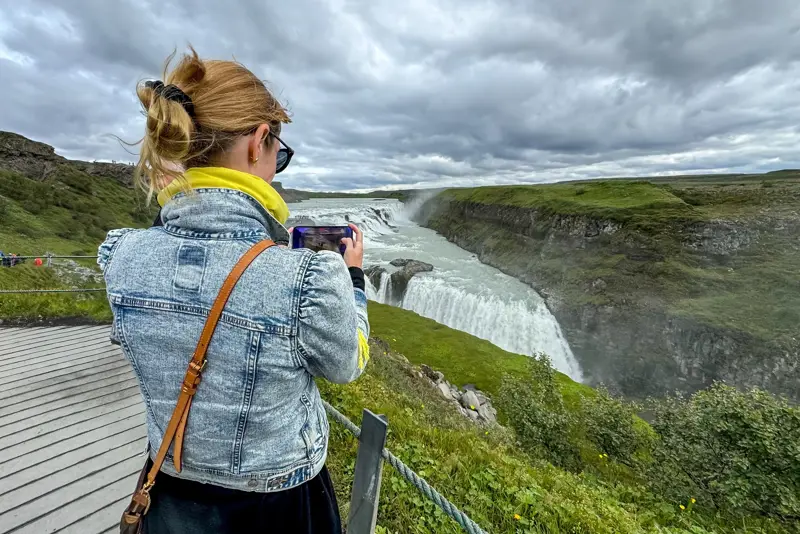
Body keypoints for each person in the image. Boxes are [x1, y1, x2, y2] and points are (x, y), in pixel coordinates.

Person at [97, 48, 369, 534]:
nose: (275, 166)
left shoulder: (120, 256)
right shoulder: (307, 277)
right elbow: (347, 365)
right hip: (280, 505)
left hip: (169, 493)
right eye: (278, 155)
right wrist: (351, 281)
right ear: (258, 141)